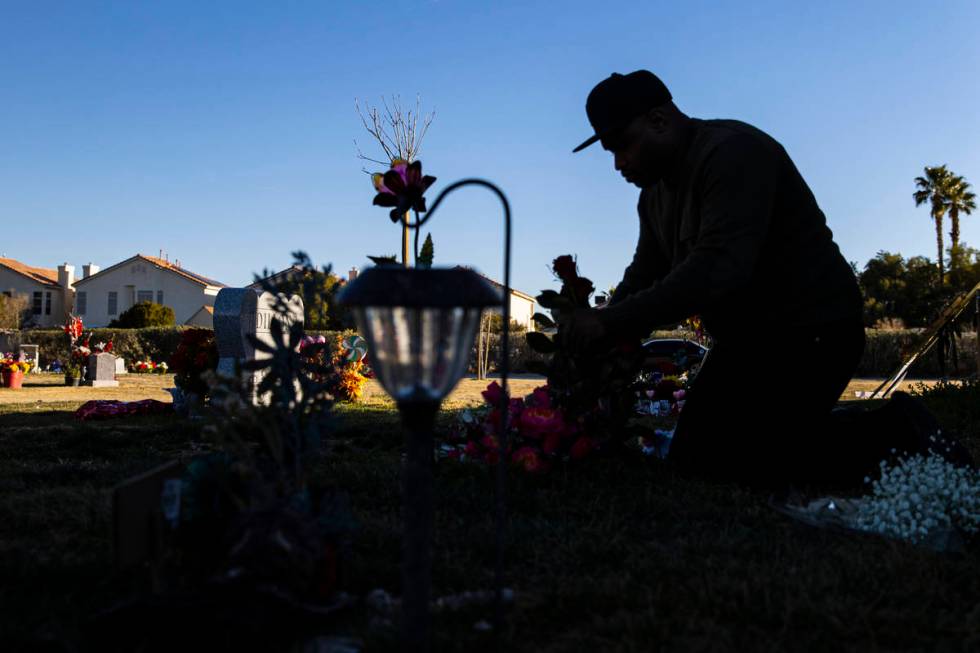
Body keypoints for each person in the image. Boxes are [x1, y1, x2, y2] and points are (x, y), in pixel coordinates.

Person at [567, 70, 971, 487]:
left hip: (813, 332)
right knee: (695, 461)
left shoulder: (732, 153)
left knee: (760, 465)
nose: (618, 164)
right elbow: (644, 273)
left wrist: (610, 322)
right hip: (746, 343)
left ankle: (897, 429)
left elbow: (717, 270)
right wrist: (606, 327)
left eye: (622, 146)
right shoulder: (652, 196)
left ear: (658, 120)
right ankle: (810, 430)